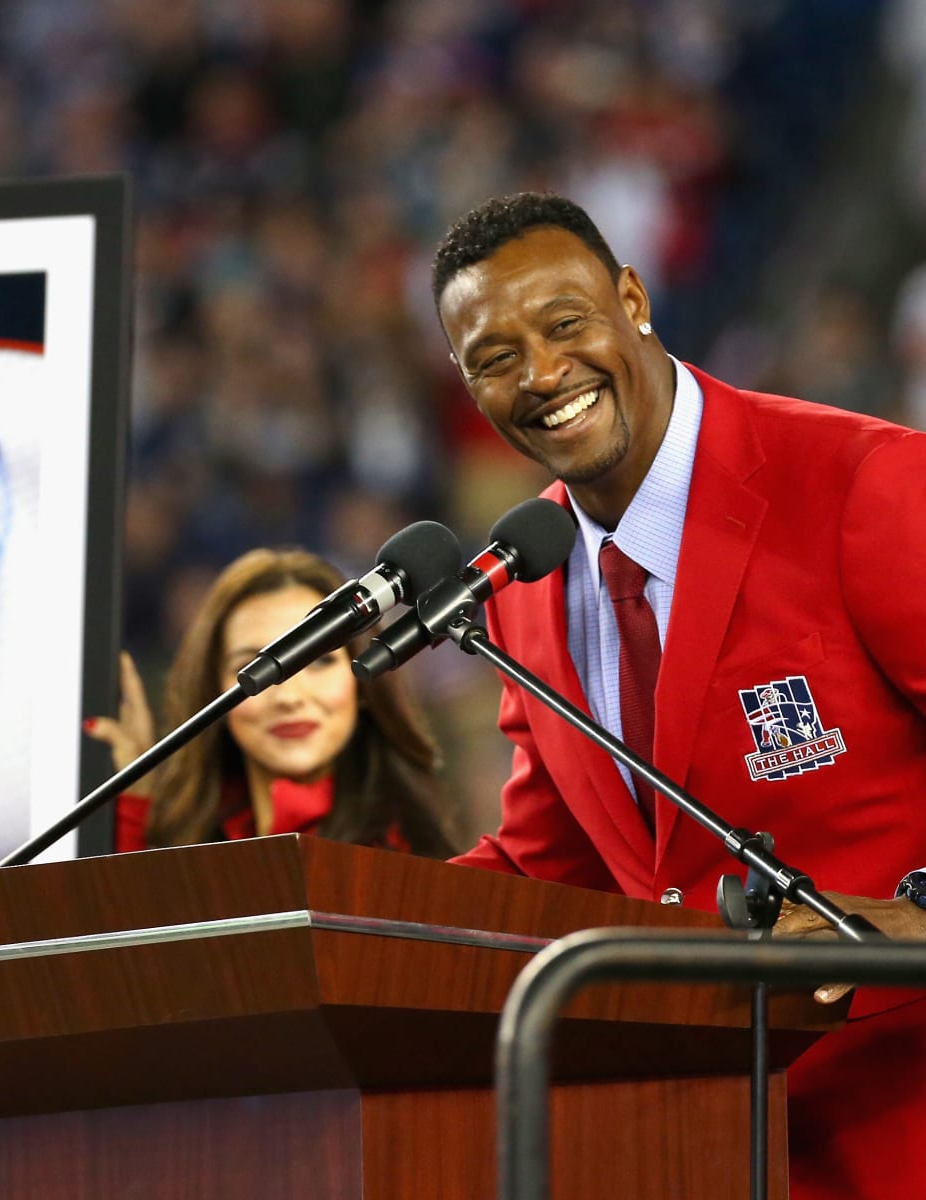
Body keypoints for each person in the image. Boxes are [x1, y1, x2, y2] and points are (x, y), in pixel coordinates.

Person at [432, 191, 926, 1200]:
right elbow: (547, 866)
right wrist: (322, 922)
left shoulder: (861, 482)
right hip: (711, 1150)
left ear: (631, 297)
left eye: (565, 324)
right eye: (494, 358)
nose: (541, 375)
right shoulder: (523, 585)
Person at [85, 547, 457, 857]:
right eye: (252, 667)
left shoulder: (411, 853)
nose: (289, 697)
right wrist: (139, 808)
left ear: (364, 683)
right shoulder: (178, 838)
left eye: (321, 661)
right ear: (213, 689)